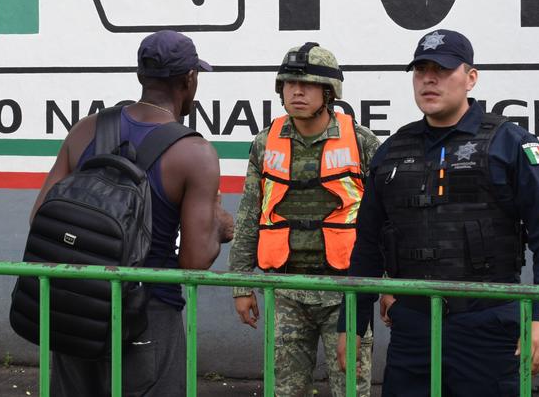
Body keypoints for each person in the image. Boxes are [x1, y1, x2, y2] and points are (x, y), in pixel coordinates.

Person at [337, 29, 539, 397]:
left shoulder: (509, 143)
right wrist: (351, 324)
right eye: (421, 70)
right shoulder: (392, 150)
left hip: (487, 329)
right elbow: (367, 243)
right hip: (413, 332)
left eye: (442, 70)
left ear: (470, 78)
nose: (429, 79)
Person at [29, 29, 234, 397]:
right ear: (189, 79)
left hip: (74, 310)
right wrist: (218, 226)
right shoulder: (194, 153)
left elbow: (39, 217)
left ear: (141, 75)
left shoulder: (85, 130)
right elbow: (195, 261)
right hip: (146, 316)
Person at [229, 43, 380, 397]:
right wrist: (241, 284)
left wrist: (387, 285)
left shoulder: (362, 143)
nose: (296, 91)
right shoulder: (265, 143)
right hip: (286, 291)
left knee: (351, 391)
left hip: (346, 292)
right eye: (289, 83)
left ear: (329, 92)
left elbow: (381, 221)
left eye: (308, 84)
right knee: (284, 392)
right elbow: (250, 213)